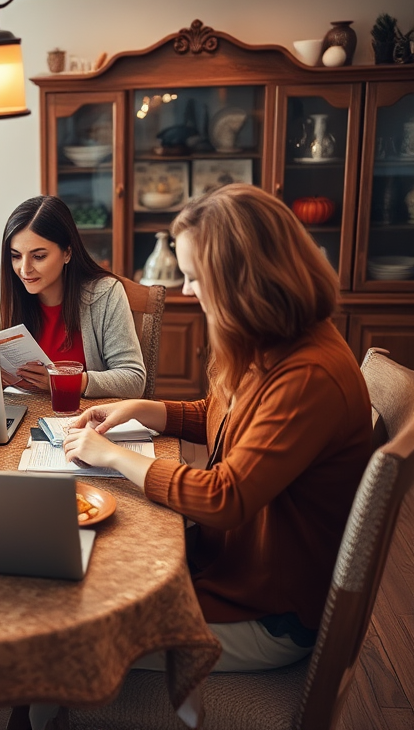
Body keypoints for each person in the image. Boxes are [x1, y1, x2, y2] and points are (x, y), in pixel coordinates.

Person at [64, 183, 373, 672]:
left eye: (195, 277)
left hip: (268, 611)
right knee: (83, 580)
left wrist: (113, 455)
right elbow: (223, 414)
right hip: (228, 569)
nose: (187, 290)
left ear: (243, 279)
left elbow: (223, 498)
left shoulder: (309, 375)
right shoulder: (272, 341)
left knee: (73, 635)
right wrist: (142, 409)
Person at [0, 194, 145, 399]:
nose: (24, 269)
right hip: (19, 411)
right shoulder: (2, 289)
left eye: (39, 256)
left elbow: (134, 380)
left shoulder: (105, 293)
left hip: (83, 419)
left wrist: (67, 381)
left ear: (67, 252)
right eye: (15, 256)